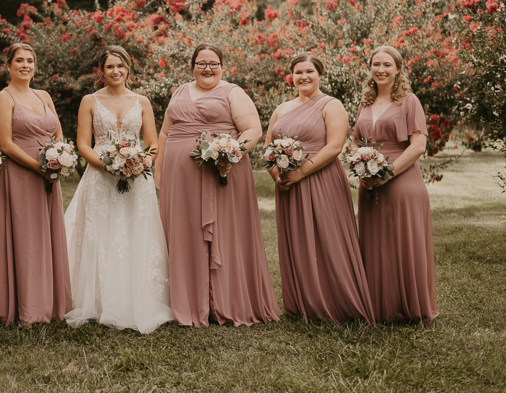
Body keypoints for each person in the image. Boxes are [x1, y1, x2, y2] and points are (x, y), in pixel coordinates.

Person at [155, 43, 280, 327]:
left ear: (222, 66)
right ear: (192, 66)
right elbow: (165, 132)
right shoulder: (179, 91)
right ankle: (183, 301)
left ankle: (221, 301)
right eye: (201, 63)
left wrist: (231, 155)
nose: (207, 68)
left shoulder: (232, 92)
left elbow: (253, 130)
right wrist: (159, 171)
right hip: (180, 178)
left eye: (213, 63)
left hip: (221, 173)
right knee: (183, 231)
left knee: (223, 230)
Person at [63, 46, 172, 333]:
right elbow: (83, 144)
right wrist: (108, 166)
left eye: (120, 66)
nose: (115, 71)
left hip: (137, 179)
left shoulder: (142, 101)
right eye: (110, 67)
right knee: (101, 232)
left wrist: (140, 164)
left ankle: (137, 297)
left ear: (128, 69)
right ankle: (99, 299)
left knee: (134, 232)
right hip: (100, 177)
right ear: (102, 70)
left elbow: (151, 143)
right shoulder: (90, 100)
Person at [265, 52, 374, 325]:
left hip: (320, 179)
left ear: (319, 74)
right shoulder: (282, 108)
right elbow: (268, 148)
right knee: (297, 239)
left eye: (309, 71)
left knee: (328, 238)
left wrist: (300, 172)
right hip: (287, 184)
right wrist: (278, 176)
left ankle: (337, 302)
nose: (303, 76)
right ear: (291, 76)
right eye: (298, 72)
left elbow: (335, 147)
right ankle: (303, 303)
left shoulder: (331, 105)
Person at [352, 45, 437, 323]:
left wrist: (386, 173)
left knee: (403, 241)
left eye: (387, 65)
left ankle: (409, 307)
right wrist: (361, 166)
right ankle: (379, 306)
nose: (381, 69)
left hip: (401, 181)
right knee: (375, 241)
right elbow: (355, 142)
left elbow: (418, 145)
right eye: (376, 64)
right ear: (370, 68)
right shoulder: (365, 102)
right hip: (369, 181)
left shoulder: (409, 101)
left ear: (398, 69)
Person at [0, 43, 72, 326]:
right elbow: (6, 143)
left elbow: (58, 132)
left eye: (30, 61)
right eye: (20, 61)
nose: (25, 65)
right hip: (22, 173)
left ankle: (52, 303)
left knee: (48, 235)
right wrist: (38, 166)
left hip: (50, 173)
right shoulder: (4, 98)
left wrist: (59, 158)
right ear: (9, 66)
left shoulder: (44, 95)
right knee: (26, 239)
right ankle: (29, 307)